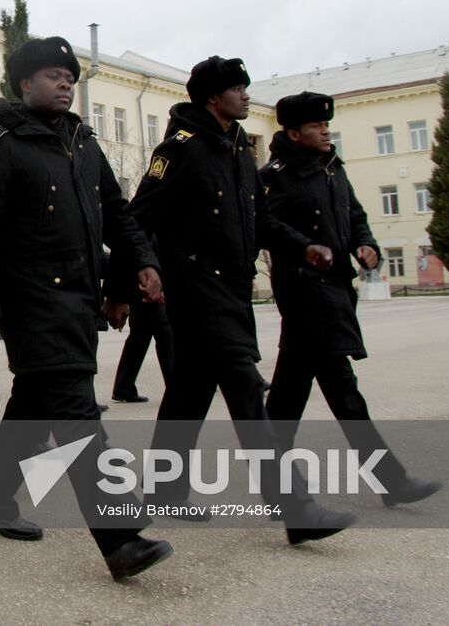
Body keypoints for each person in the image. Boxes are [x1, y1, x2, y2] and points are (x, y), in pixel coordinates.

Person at [110, 56, 356, 545]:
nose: (246, 95)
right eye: (236, 88)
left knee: (188, 391)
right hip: (197, 290)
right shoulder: (180, 150)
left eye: (246, 87)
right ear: (211, 98)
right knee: (246, 389)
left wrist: (301, 245)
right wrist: (123, 286)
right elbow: (135, 217)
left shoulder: (240, 150)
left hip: (233, 290)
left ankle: (163, 489)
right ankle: (294, 506)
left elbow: (261, 220)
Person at [0, 36, 173, 582]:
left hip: (76, 300)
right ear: (24, 85)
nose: (65, 83)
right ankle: (120, 537)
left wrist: (138, 265)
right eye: (53, 75)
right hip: (32, 303)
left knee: (33, 406)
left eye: (70, 76)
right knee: (77, 414)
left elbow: (117, 214)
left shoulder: (82, 143)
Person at [261, 91, 442, 507]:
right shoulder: (277, 174)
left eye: (326, 125)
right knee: (343, 389)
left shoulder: (332, 167)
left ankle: (273, 482)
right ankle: (390, 480)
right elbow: (264, 224)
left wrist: (366, 244)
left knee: (288, 394)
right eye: (316, 126)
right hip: (306, 291)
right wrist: (306, 246)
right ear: (293, 132)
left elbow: (354, 214)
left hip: (337, 288)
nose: (325, 130)